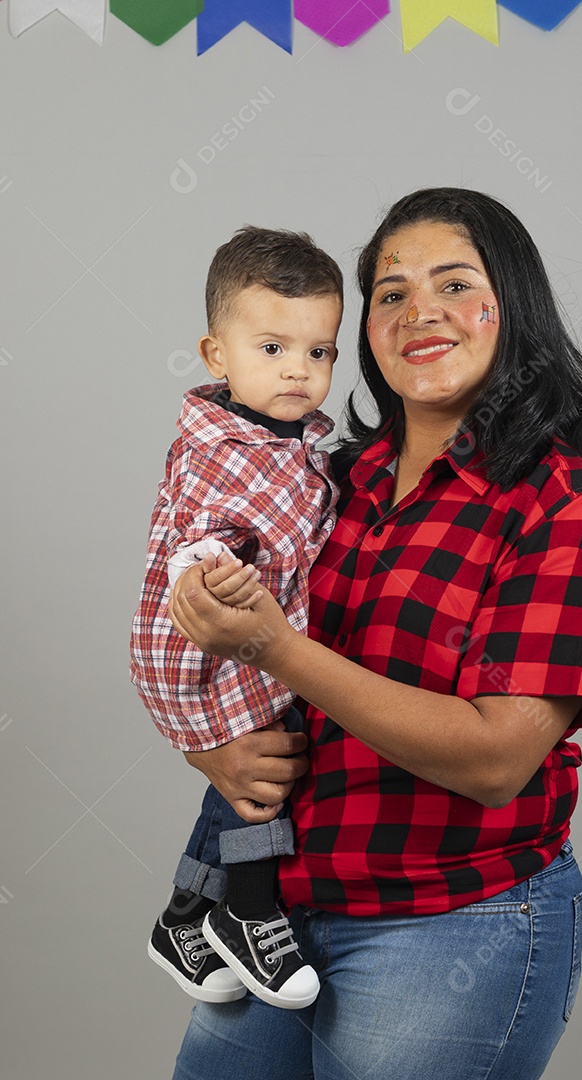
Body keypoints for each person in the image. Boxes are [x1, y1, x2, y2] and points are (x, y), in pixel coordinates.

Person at [167, 188, 582, 1080]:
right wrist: (215, 753)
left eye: (455, 284)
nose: (420, 312)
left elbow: (496, 759)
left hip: (450, 923)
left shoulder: (566, 503)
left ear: (515, 306)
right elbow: (211, 645)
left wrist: (277, 648)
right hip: (273, 916)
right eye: (390, 293)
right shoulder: (324, 478)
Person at [129, 226, 343, 1009]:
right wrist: (208, 577)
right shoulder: (229, 449)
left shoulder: (284, 436)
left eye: (318, 352)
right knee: (266, 774)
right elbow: (209, 529)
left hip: (242, 639)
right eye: (273, 348)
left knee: (244, 772)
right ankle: (248, 909)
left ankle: (185, 915)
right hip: (207, 642)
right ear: (216, 354)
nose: (298, 370)